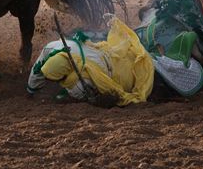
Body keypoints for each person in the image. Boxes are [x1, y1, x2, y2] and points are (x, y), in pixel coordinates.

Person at [26, 16, 155, 106]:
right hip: (114, 56)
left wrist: (31, 92)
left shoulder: (78, 84)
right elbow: (39, 70)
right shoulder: (55, 47)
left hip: (120, 73)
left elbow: (37, 71)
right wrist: (31, 89)